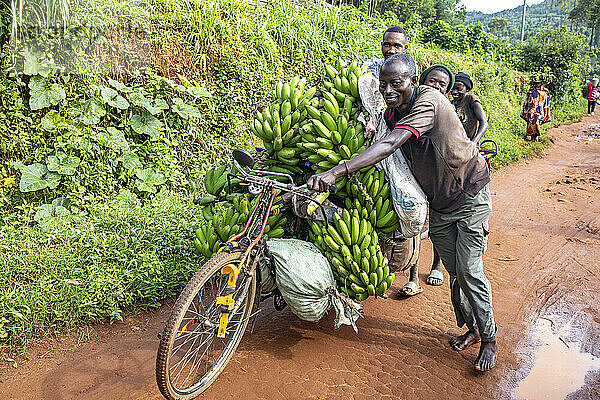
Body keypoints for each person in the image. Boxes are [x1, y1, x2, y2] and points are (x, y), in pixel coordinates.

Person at [308, 54, 498, 372]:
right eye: (383, 84)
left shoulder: (430, 100)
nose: (388, 90)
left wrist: (337, 171)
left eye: (396, 83)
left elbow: (393, 143)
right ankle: (474, 327)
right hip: (439, 203)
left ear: (412, 80)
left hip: (469, 195)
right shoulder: (391, 113)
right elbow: (382, 143)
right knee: (455, 271)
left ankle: (490, 340)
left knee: (469, 269)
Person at [395, 64, 456, 296]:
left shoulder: (443, 110)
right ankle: (412, 276)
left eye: (442, 84)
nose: (437, 86)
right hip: (415, 175)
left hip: (439, 180)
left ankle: (436, 266)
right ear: (420, 82)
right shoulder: (410, 107)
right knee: (416, 223)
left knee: (436, 225)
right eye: (432, 81)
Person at [451, 72, 488, 144]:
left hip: (469, 146)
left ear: (467, 88)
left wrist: (474, 142)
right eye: (453, 89)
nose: (455, 92)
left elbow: (484, 122)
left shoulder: (471, 99)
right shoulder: (451, 104)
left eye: (459, 89)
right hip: (455, 144)